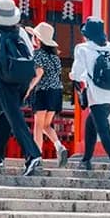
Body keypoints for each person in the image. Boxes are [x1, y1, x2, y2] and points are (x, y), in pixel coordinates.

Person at [0, 0, 44, 176]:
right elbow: (31, 57)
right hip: (22, 78)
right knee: (5, 116)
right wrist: (29, 83)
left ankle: (33, 154)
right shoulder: (21, 32)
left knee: (14, 118)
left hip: (5, 78)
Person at [70, 17, 110, 180]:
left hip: (97, 96)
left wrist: (75, 81)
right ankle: (86, 160)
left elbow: (77, 72)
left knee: (104, 131)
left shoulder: (82, 49)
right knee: (91, 123)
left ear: (87, 34)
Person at [24, 21, 68, 166]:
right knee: (46, 125)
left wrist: (28, 88)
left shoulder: (37, 54)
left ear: (38, 40)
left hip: (42, 91)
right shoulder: (55, 57)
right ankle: (59, 146)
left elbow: (39, 73)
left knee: (38, 126)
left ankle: (37, 156)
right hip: (56, 92)